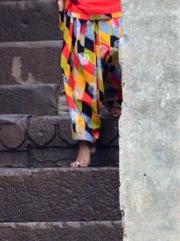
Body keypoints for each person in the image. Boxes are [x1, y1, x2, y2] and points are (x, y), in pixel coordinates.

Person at [59, 0, 122, 167]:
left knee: (116, 60)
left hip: (117, 10)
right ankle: (84, 142)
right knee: (80, 78)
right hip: (80, 12)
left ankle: (114, 99)